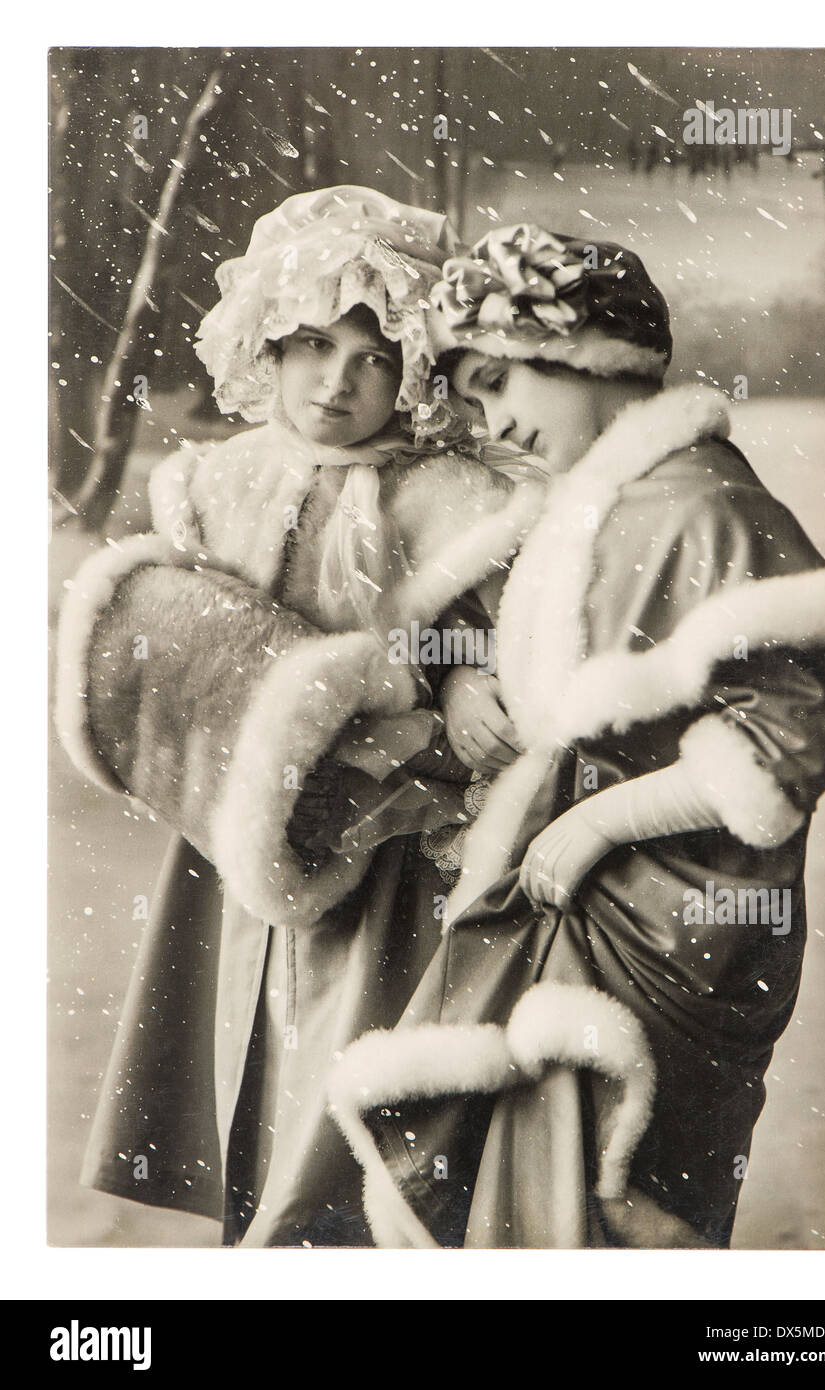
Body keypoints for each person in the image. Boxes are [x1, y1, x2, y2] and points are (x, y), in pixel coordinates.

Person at [327, 224, 825, 1249]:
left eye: (499, 381)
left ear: (587, 355)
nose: (493, 419)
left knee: (602, 1208)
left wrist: (600, 820)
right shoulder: (596, 502)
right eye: (472, 398)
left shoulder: (703, 503)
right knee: (534, 1208)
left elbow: (784, 746)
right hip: (570, 921)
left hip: (661, 929)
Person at [55, 188, 541, 1246]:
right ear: (264, 351)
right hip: (240, 818)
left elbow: (491, 639)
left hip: (386, 837)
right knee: (243, 1033)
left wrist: (457, 678)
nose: (337, 381)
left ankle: (327, 1231)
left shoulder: (449, 497)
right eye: (311, 346)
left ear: (412, 376)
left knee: (351, 1064)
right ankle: (260, 1225)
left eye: (372, 359)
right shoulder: (211, 486)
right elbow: (167, 647)